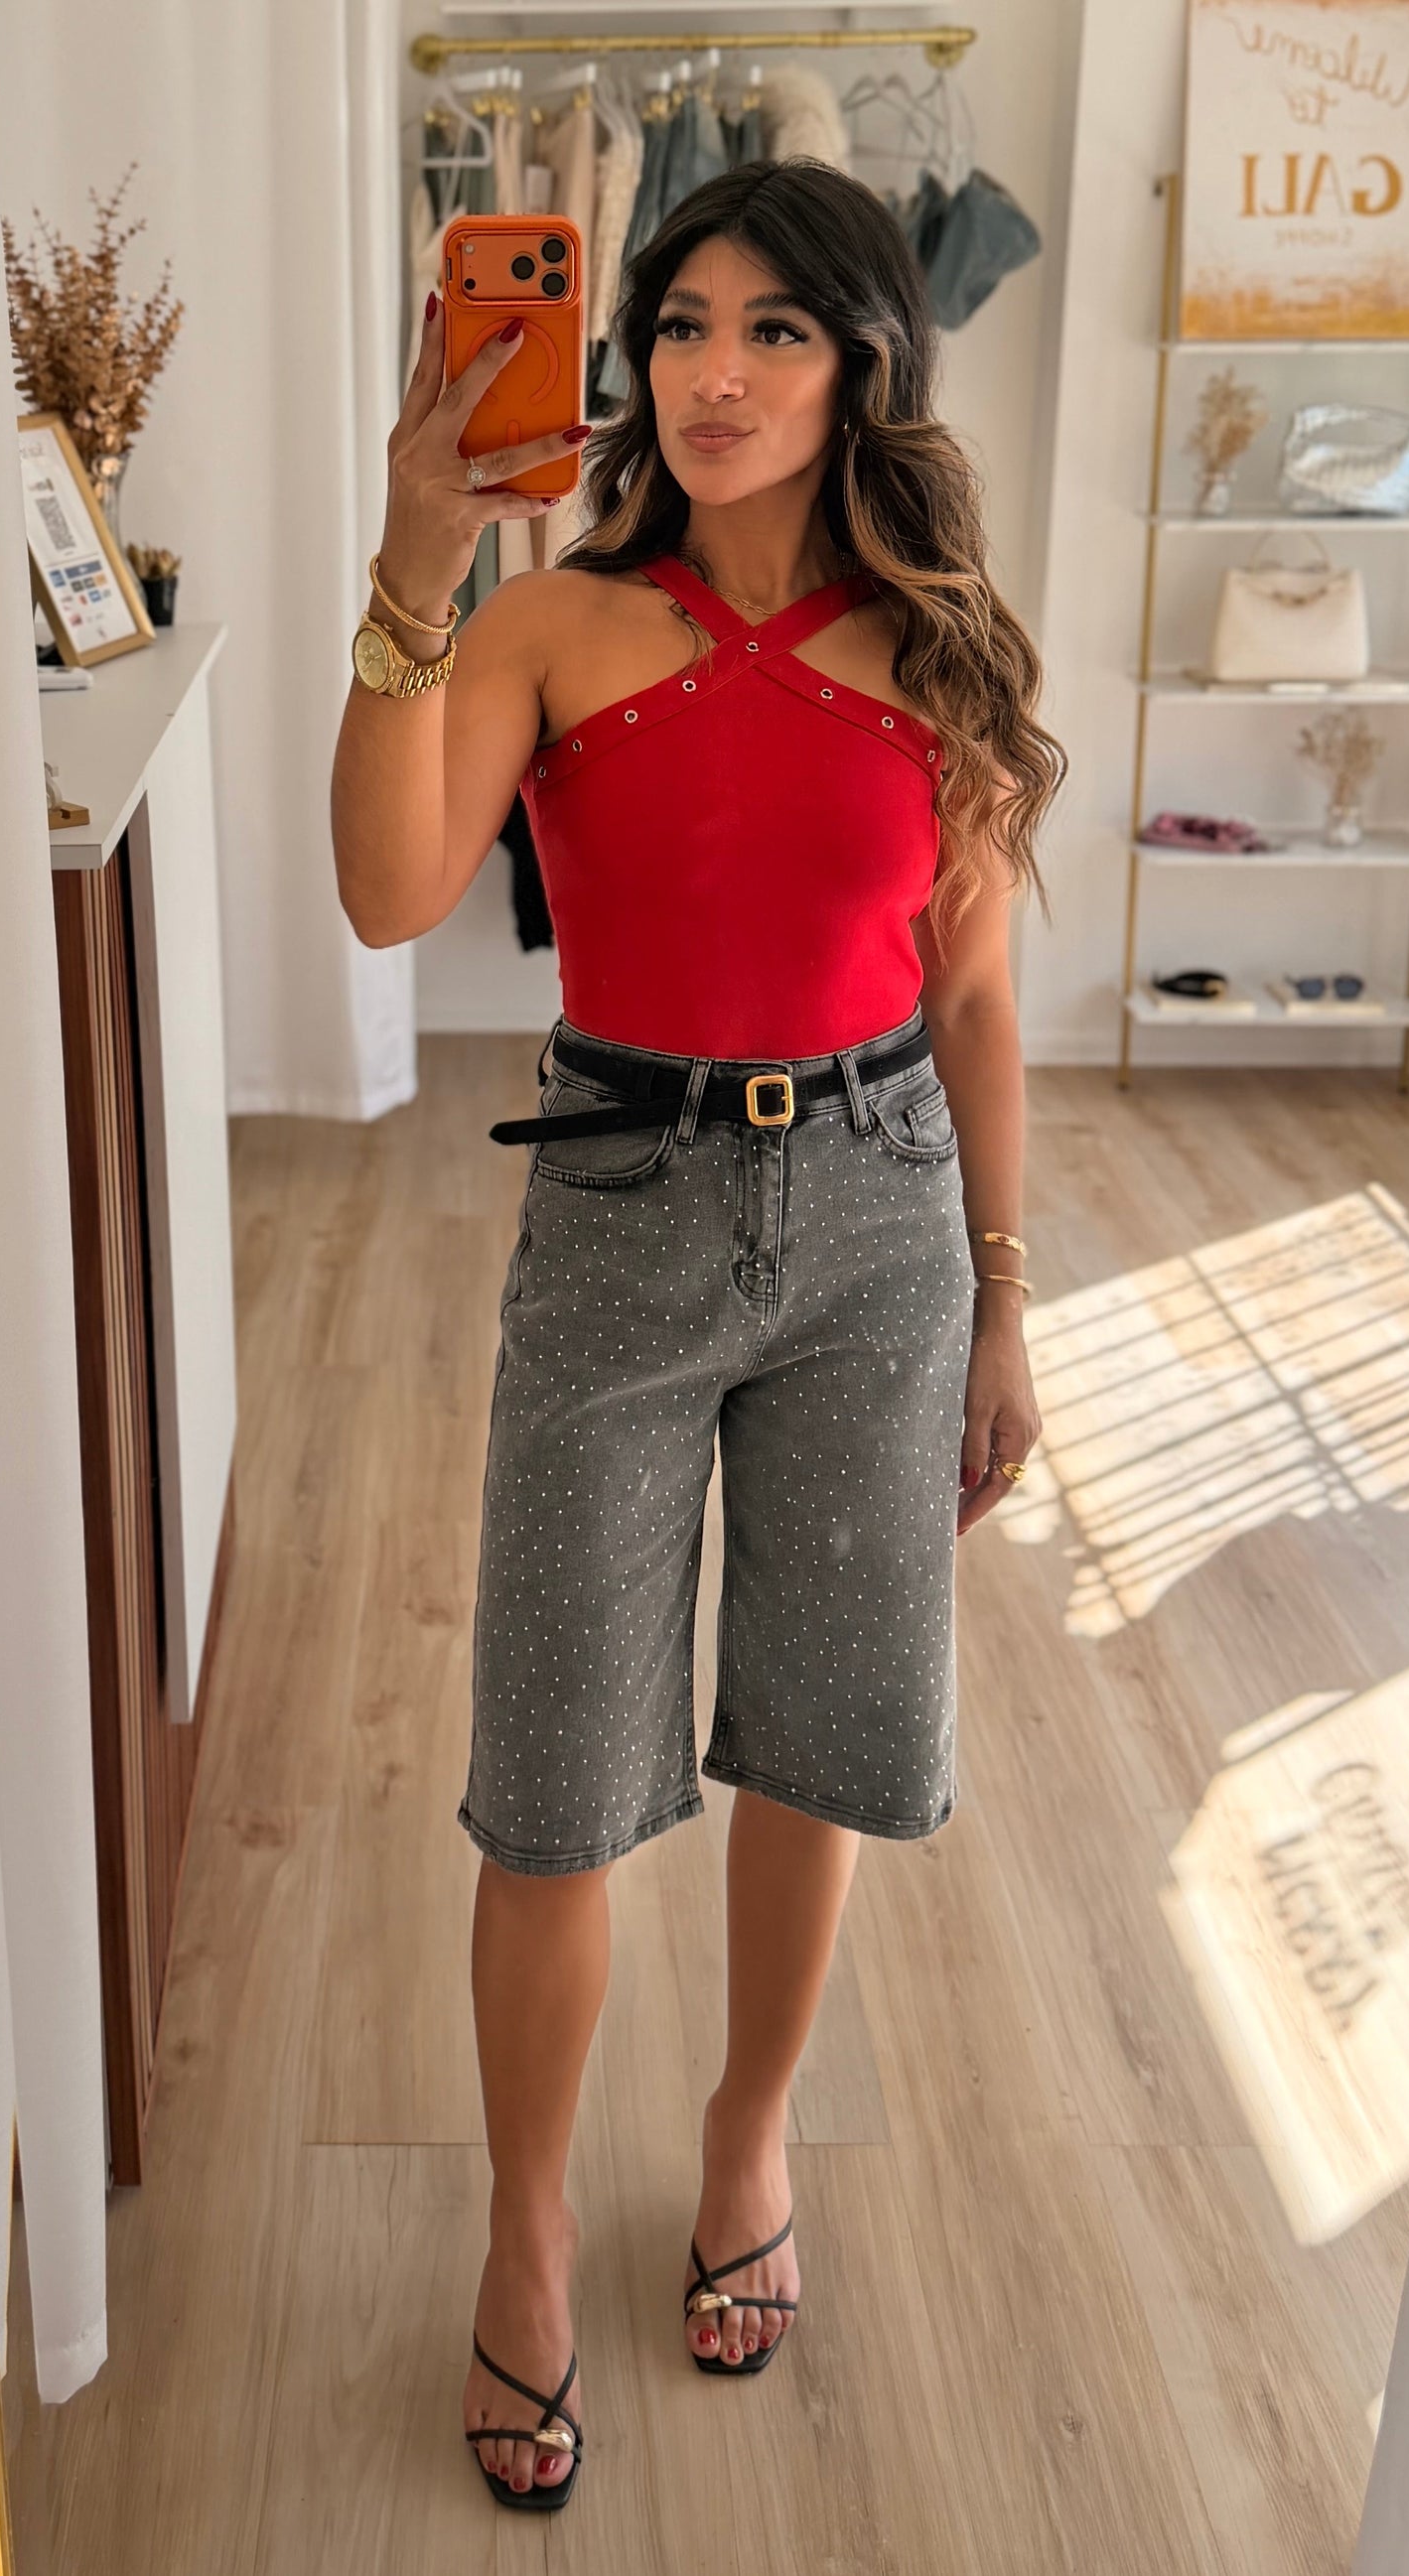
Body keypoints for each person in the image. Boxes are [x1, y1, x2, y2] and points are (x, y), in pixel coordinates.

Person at [329, 157, 1062, 2512]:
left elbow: (972, 999)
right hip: (623, 1210)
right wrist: (414, 559)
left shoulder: (939, 647)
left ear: (863, 363)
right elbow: (383, 891)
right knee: (553, 1771)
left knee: (819, 1733)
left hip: (879, 1217)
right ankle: (527, 2221)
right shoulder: (555, 625)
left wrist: (1006, 1298)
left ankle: (749, 2135)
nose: (710, 373)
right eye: (675, 327)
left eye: (771, 329)